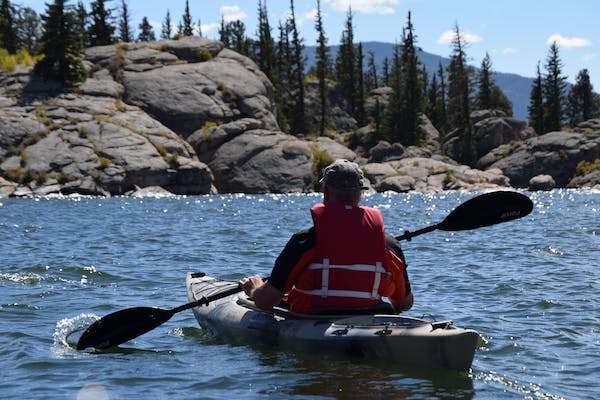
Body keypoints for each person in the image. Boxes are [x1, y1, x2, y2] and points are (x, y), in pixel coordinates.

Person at [239, 159, 413, 314]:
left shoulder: (305, 241)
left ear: (326, 193)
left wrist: (254, 289)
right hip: (370, 320)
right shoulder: (390, 244)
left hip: (315, 321)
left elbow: (266, 301)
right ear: (361, 194)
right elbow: (405, 303)